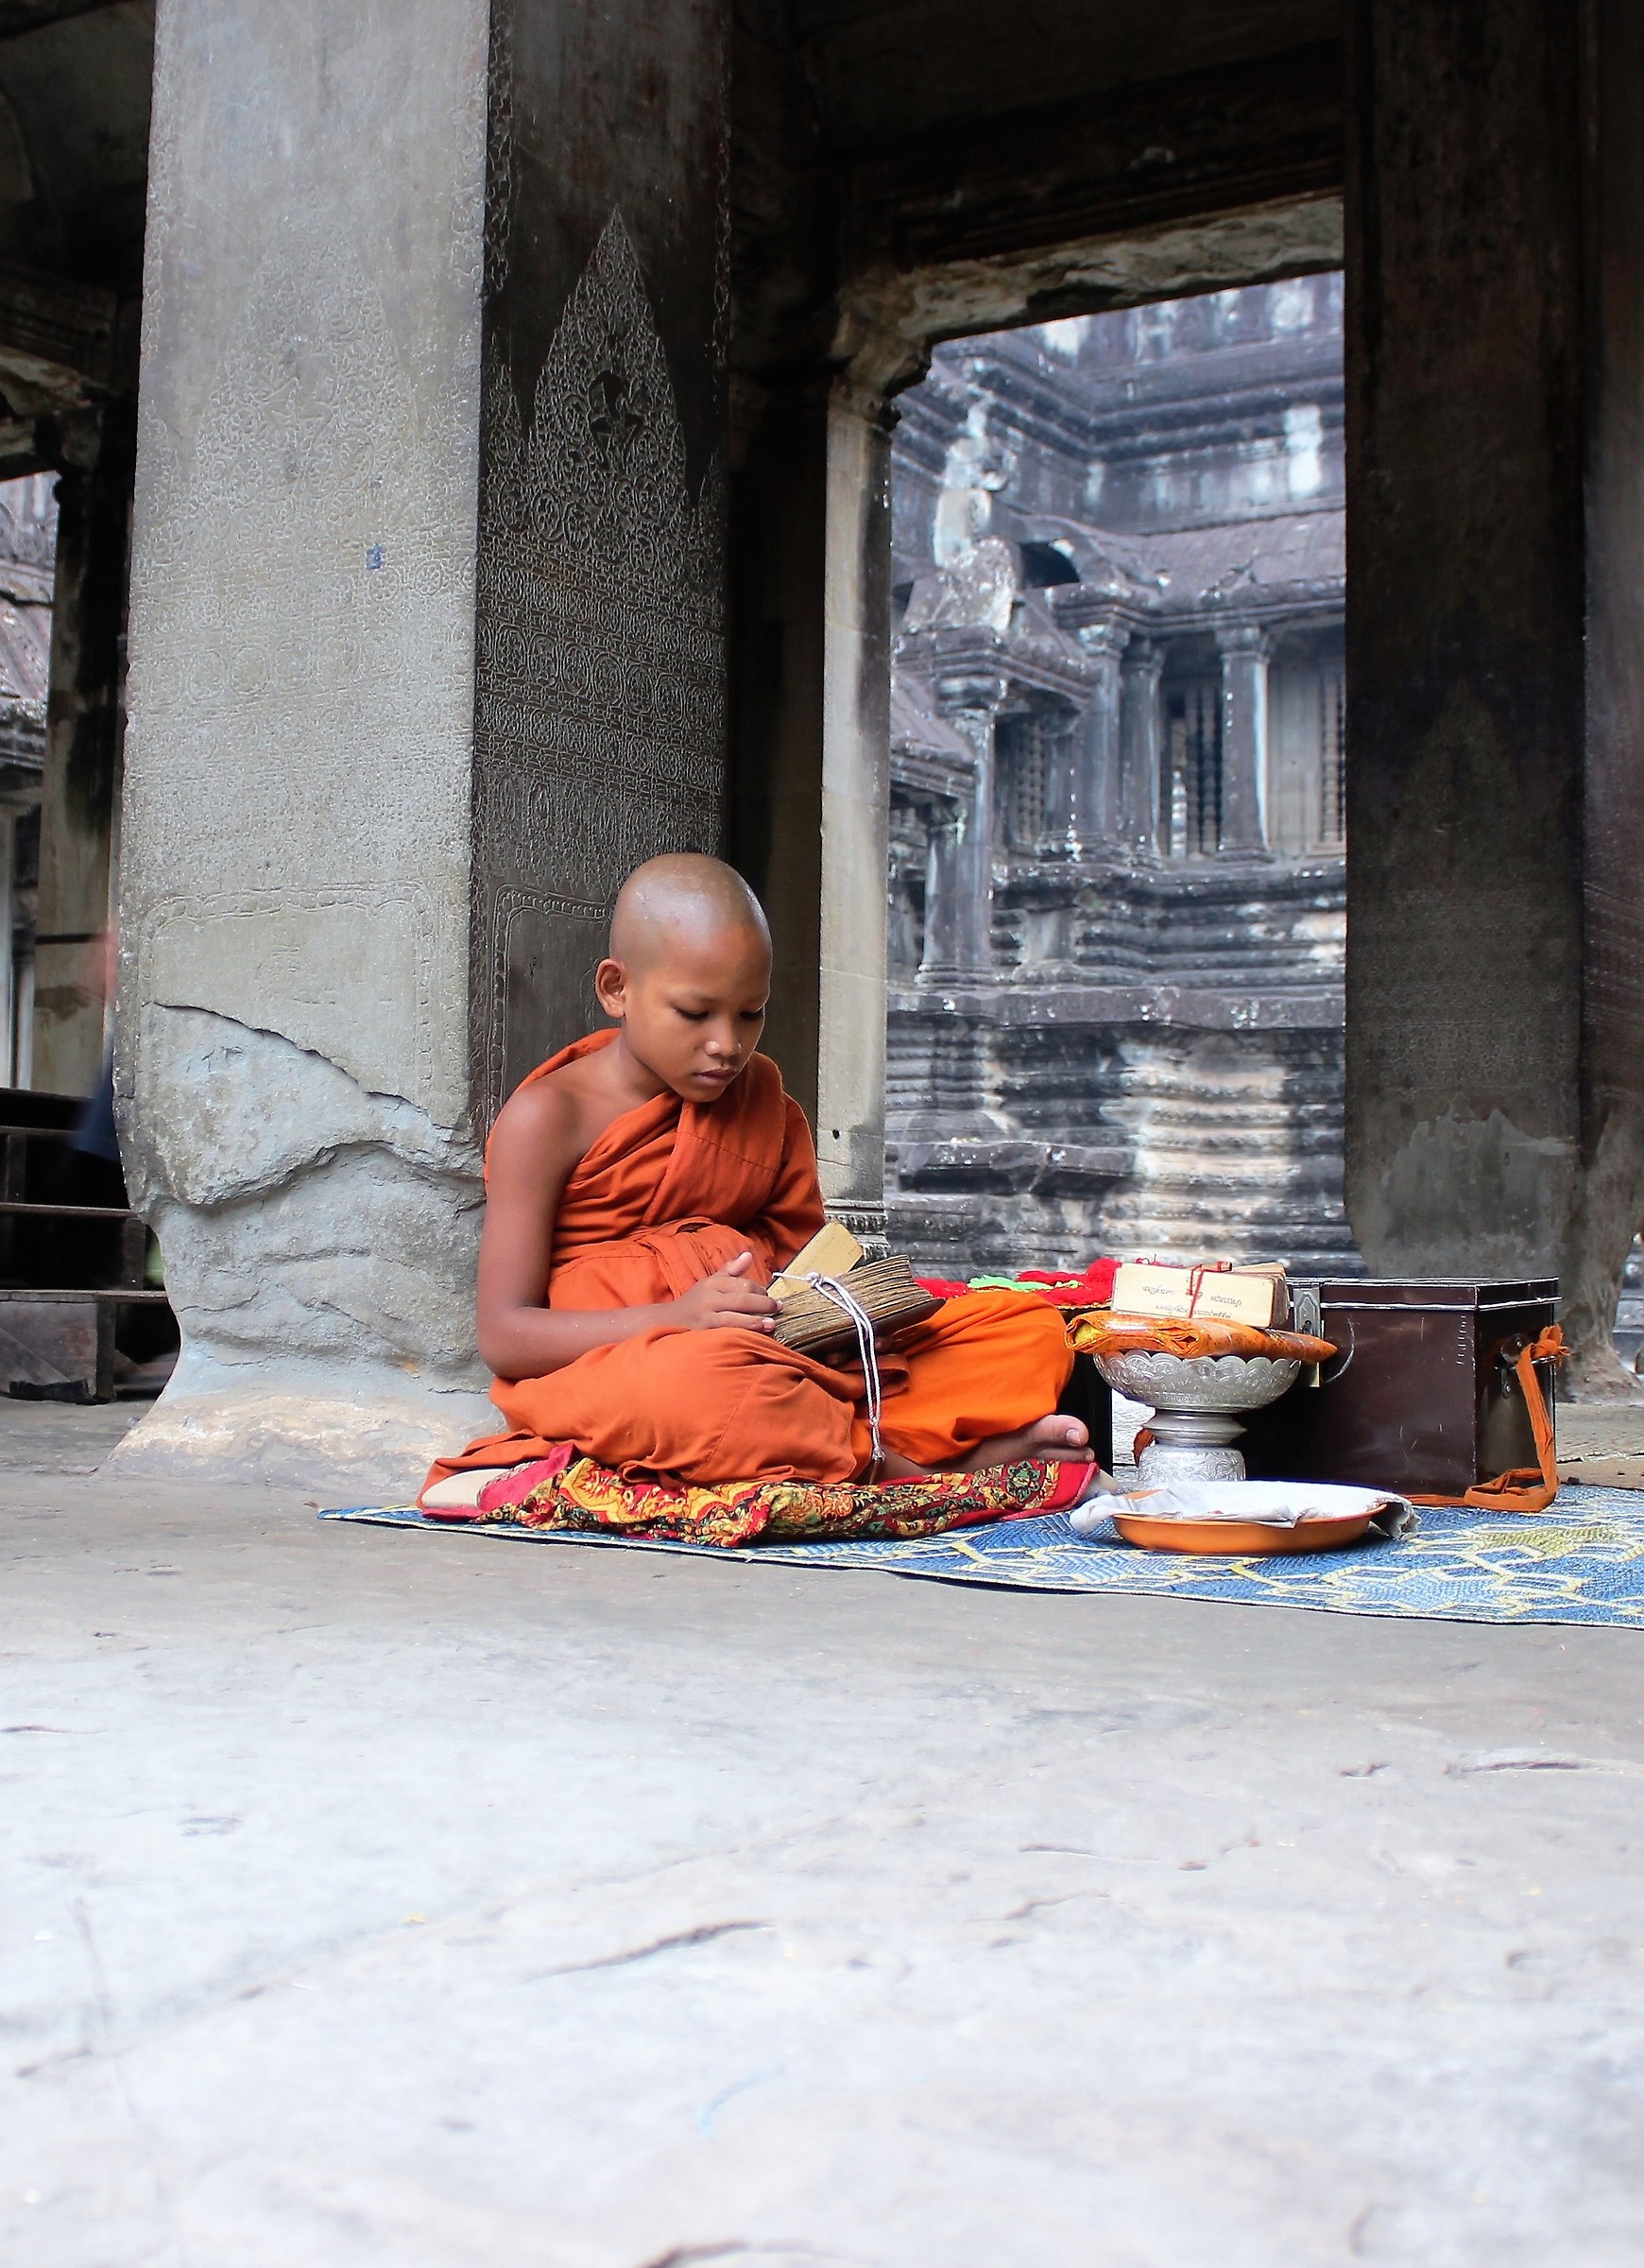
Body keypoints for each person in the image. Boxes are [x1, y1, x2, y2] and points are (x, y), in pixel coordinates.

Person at [421, 854, 1098, 1508]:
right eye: (696, 1013)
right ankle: (922, 1469)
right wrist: (675, 1319)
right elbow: (506, 1335)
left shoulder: (764, 1101)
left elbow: (807, 1263)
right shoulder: (549, 1117)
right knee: (709, 1392)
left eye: (751, 1014)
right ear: (616, 989)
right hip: (624, 1368)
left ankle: (850, 1445)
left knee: (1026, 1329)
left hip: (784, 1348)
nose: (728, 1044)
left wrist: (853, 1313)